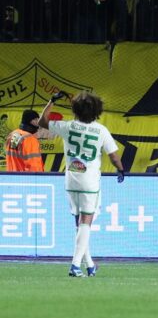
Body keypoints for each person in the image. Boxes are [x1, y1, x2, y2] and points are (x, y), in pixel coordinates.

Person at [38, 91, 125, 278]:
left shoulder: (67, 126)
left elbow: (42, 122)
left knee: (80, 225)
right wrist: (121, 169)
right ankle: (75, 265)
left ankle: (90, 265)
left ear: (75, 109)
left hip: (71, 180)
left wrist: (52, 101)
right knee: (86, 223)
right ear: (97, 110)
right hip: (89, 182)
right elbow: (113, 156)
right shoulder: (101, 130)